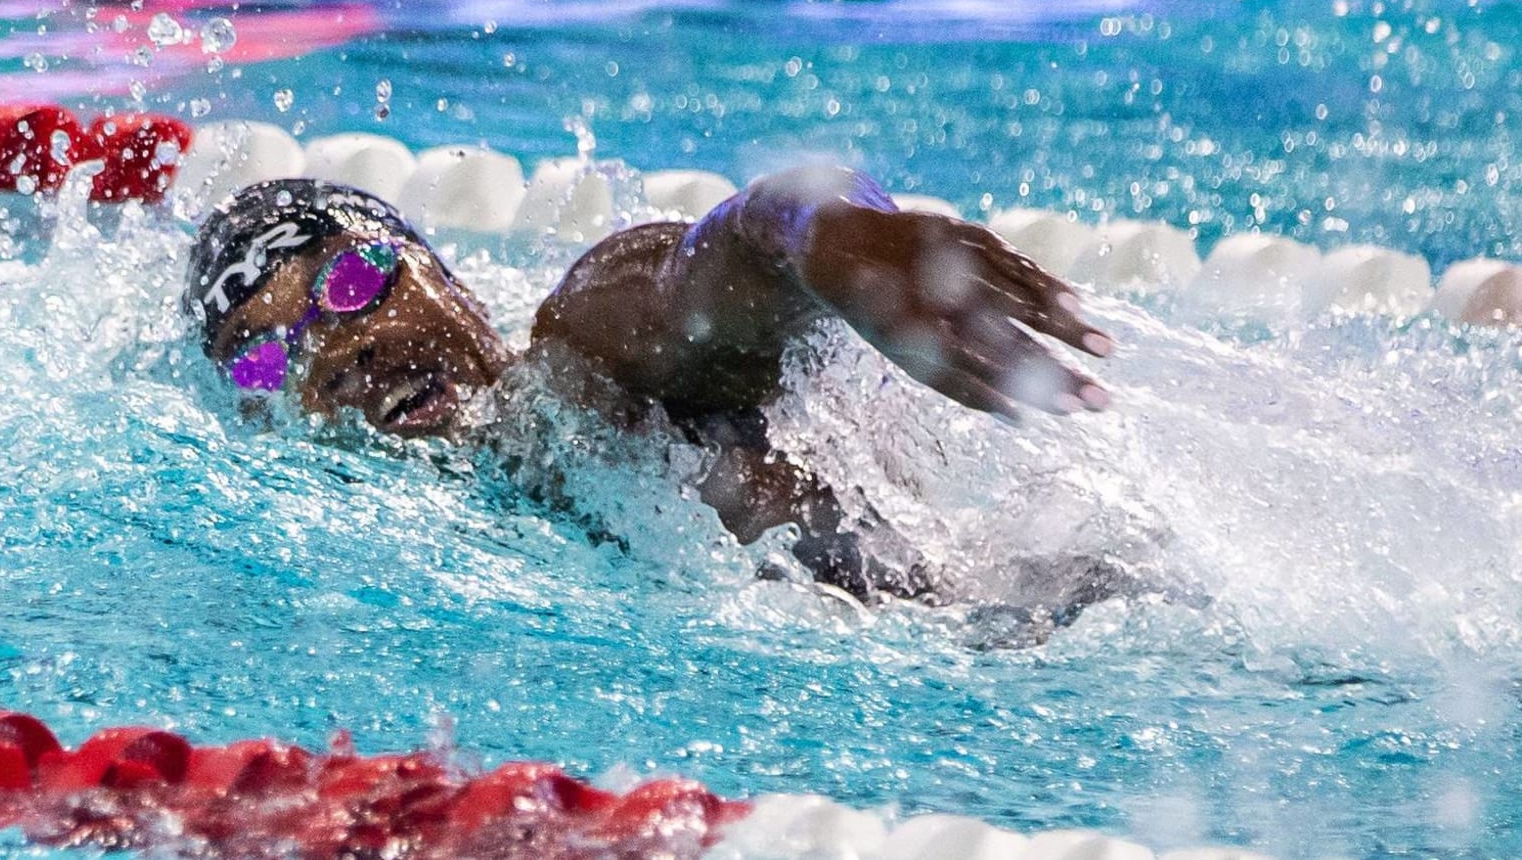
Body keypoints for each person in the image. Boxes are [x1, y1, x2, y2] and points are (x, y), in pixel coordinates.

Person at [186, 166, 1113, 602]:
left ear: (445, 275)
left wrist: (830, 240)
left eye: (352, 284)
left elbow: (730, 251)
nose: (335, 354)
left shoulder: (579, 357)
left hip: (1040, 626)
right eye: (266, 357)